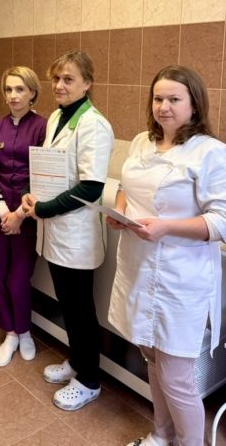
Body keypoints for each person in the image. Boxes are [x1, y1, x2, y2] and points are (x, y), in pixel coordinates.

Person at [107, 66, 226, 446]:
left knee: (177, 377)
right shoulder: (142, 141)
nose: (164, 107)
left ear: (195, 105)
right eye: (158, 98)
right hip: (138, 266)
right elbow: (126, 185)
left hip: (181, 277)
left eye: (174, 99)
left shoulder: (210, 152)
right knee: (152, 360)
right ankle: (161, 435)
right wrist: (120, 212)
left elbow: (221, 221)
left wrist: (166, 227)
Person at [22, 50, 114, 411]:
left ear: (87, 83)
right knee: (68, 303)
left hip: (76, 234)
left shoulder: (94, 124)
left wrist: (44, 209)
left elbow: (90, 187)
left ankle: (89, 380)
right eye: (56, 78)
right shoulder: (58, 117)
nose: (59, 85)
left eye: (68, 79)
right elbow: (51, 169)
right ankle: (77, 362)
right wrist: (32, 193)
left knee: (80, 308)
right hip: (56, 231)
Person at [0, 67, 47, 367]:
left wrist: (19, 214)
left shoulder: (43, 127)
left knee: (19, 279)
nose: (13, 95)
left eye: (20, 89)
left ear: (32, 92)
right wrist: (3, 212)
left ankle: (25, 331)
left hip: (28, 216)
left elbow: (42, 175)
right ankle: (10, 333)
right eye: (8, 89)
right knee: (1, 277)